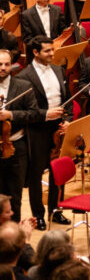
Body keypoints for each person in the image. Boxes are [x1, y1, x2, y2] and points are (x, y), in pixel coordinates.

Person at [20, 38, 70, 228]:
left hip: (58, 127)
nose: (52, 54)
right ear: (35, 52)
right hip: (38, 129)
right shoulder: (24, 76)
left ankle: (56, 210)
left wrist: (68, 120)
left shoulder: (58, 70)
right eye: (47, 51)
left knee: (58, 170)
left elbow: (67, 99)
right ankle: (38, 215)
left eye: (52, 50)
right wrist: (45, 114)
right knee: (36, 173)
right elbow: (25, 109)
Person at [0, 49, 37, 224]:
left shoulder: (23, 86)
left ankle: (14, 234)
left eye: (6, 64)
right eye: (0, 64)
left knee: (15, 195)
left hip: (16, 146)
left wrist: (11, 115)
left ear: (12, 65)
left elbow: (33, 113)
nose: (3, 68)